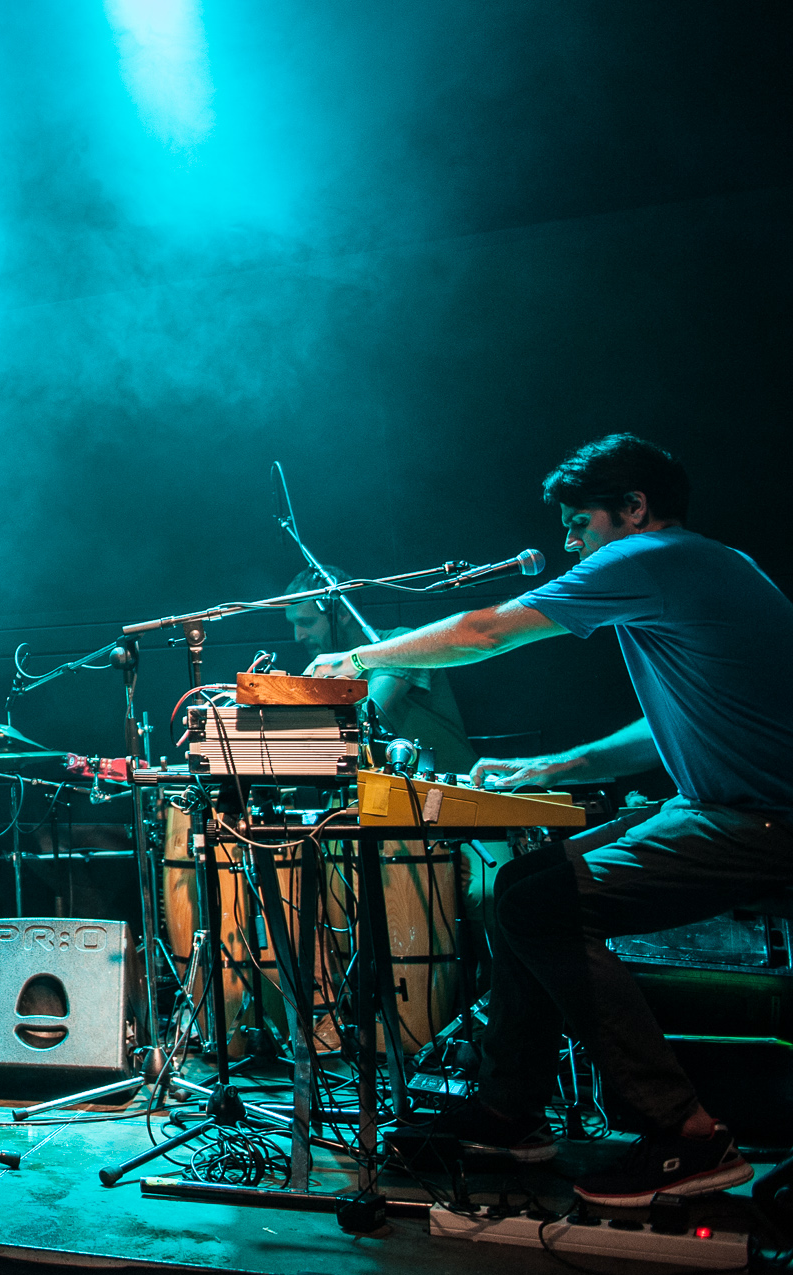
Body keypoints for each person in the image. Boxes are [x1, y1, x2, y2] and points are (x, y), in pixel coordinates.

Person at [309, 434, 793, 1205]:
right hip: (724, 807)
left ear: (634, 508)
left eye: (577, 523)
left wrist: (361, 660)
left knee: (542, 904)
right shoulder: (708, 567)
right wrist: (554, 768)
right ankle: (510, 1112)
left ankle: (687, 1134)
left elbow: (486, 630)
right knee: (525, 886)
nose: (569, 544)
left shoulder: (651, 557)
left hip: (761, 820)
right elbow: (673, 726)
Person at [284, 566, 477, 773]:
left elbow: (369, 717)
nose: (298, 636)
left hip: (456, 786)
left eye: (306, 623)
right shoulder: (326, 670)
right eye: (294, 624)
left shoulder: (399, 643)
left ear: (342, 613)